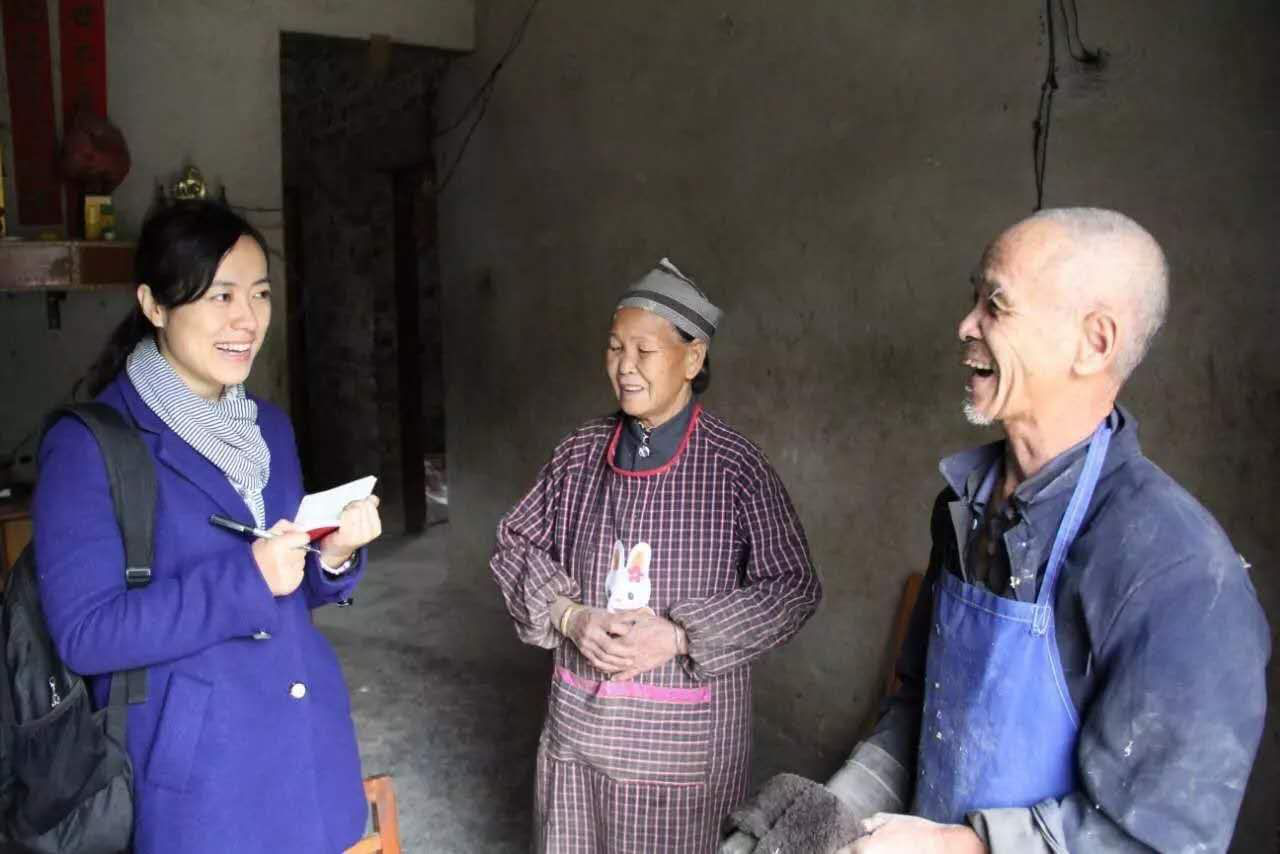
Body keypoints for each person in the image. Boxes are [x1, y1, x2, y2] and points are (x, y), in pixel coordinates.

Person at [724, 208, 1269, 854]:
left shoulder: (1178, 573)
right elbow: (920, 711)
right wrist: (835, 816)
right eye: (973, 299)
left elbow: (1157, 841)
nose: (965, 325)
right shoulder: (965, 506)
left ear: (1094, 342)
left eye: (996, 306)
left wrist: (958, 847)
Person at [34, 200, 383, 853]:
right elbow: (87, 634)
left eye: (260, 294)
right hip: (206, 781)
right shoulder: (91, 446)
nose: (247, 319)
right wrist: (247, 579)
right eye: (221, 295)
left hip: (306, 748)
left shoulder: (269, 428)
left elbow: (285, 587)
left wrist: (331, 558)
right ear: (154, 304)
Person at [491, 259, 822, 852]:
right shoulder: (578, 453)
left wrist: (678, 636)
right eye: (615, 347)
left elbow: (792, 587)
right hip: (581, 726)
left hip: (683, 743)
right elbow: (515, 542)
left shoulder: (735, 467)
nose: (625, 366)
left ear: (693, 359)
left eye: (644, 351)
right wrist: (570, 615)